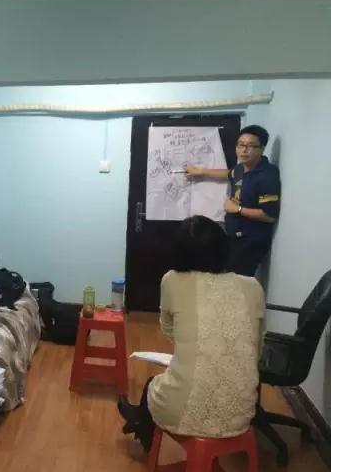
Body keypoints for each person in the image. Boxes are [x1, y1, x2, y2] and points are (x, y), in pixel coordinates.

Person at [118, 215, 265, 451]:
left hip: (184, 412)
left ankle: (142, 426)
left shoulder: (172, 280)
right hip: (241, 415)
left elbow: (169, 331)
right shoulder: (253, 287)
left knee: (154, 384)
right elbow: (257, 346)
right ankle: (140, 421)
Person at [184, 125, 281, 276]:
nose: (244, 150)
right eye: (240, 145)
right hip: (233, 238)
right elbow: (229, 173)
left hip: (250, 242)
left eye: (250, 146)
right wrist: (201, 171)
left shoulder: (267, 176)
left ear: (262, 148)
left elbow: (269, 216)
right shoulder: (242, 168)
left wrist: (238, 209)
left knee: (236, 283)